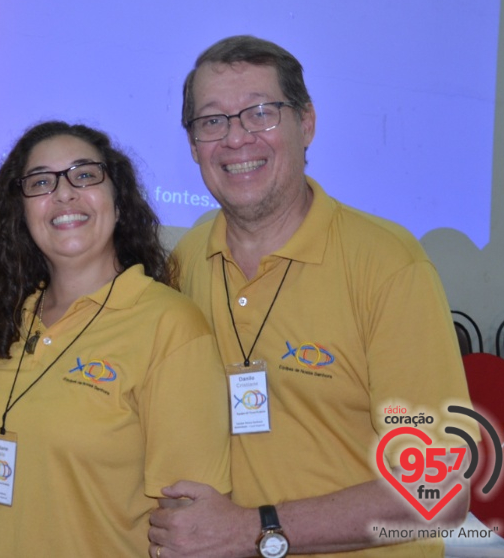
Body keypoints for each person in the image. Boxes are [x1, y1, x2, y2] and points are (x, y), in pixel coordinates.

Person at [149, 35, 473, 558]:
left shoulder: (387, 264)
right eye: (212, 121)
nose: (235, 138)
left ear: (308, 123)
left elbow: (439, 488)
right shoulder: (186, 260)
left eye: (260, 112)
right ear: (192, 145)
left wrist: (252, 529)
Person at [0, 121, 231, 557]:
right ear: (21, 214)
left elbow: (191, 521)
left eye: (85, 175)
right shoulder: (8, 319)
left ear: (119, 202)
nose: (64, 194)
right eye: (41, 182)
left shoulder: (170, 326)